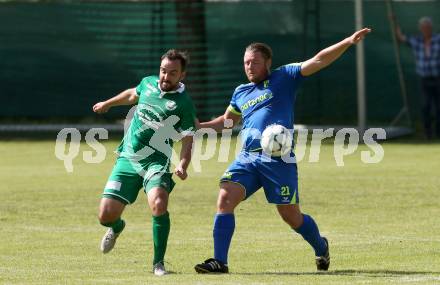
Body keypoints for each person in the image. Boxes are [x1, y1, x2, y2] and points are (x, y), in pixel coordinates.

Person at [194, 28, 371, 273]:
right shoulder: (241, 92)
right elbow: (227, 122)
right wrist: (198, 127)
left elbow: (319, 59)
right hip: (248, 158)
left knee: (290, 215)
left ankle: (321, 246)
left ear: (268, 62)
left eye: (255, 62)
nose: (249, 66)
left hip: (278, 159)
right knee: (225, 197)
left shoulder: (285, 76)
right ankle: (219, 261)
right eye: (246, 62)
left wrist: (348, 42)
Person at [92, 49, 196, 276]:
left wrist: (183, 164)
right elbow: (132, 95)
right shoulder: (148, 83)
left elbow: (188, 139)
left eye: (172, 73)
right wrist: (108, 104)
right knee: (105, 216)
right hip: (129, 158)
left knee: (159, 203)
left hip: (156, 162)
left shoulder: (184, 104)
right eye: (163, 71)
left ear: (182, 75)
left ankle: (158, 264)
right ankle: (117, 227)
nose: (165, 77)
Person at [396, 17, 440, 139]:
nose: (426, 29)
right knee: (426, 106)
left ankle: (438, 133)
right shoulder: (417, 41)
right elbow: (401, 38)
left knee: (438, 108)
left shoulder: (438, 39)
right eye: (423, 27)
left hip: (438, 78)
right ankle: (428, 134)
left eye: (427, 27)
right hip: (424, 79)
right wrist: (394, 22)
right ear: (420, 29)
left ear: (431, 28)